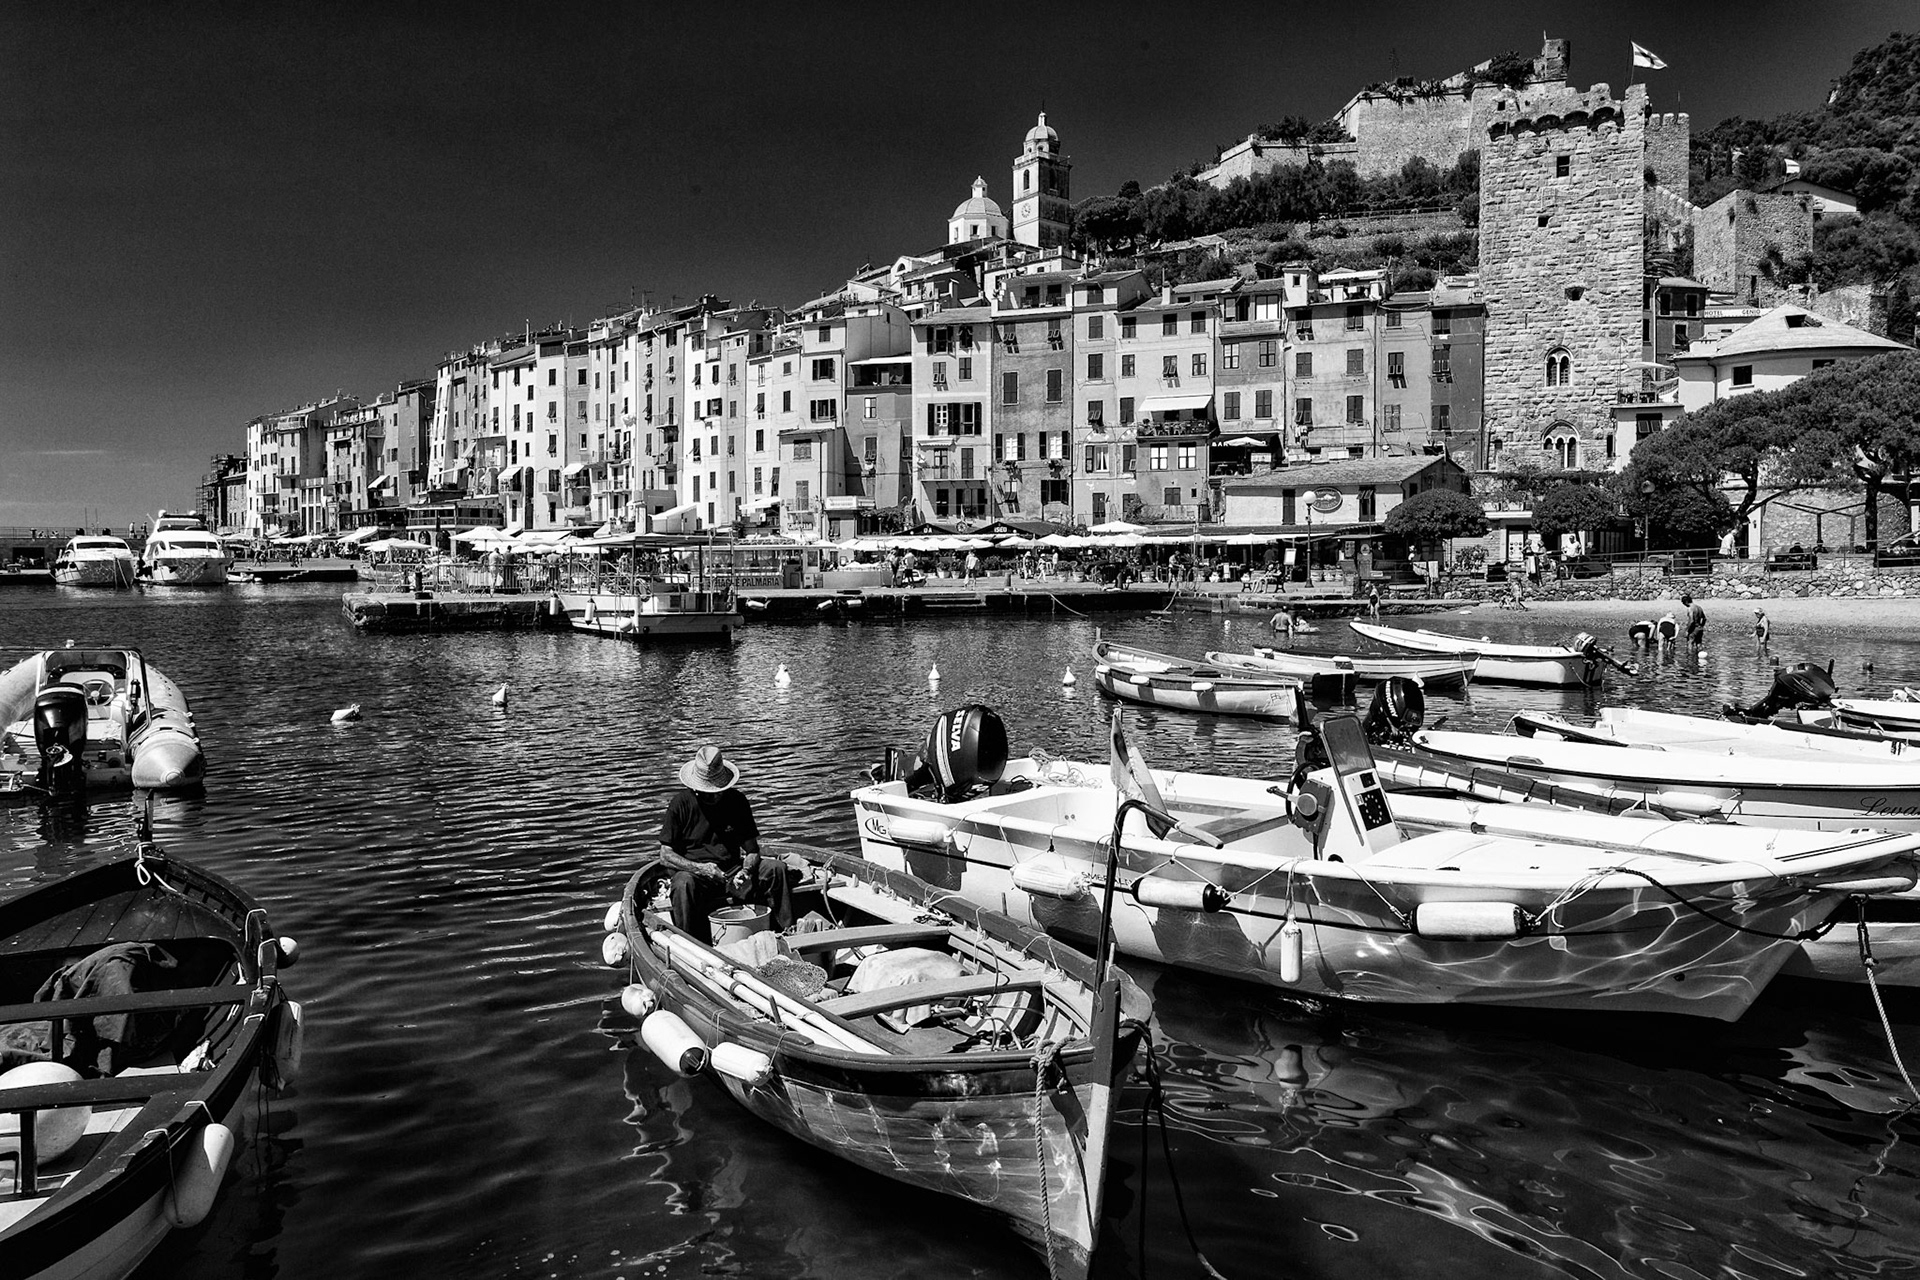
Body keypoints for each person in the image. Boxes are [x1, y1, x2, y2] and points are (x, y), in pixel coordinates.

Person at [657, 746, 793, 945]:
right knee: (683, 884)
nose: (713, 797)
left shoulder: (737, 801)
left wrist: (746, 870)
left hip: (733, 871)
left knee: (776, 869)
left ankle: (786, 934)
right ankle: (688, 944)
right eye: (707, 792)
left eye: (717, 791)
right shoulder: (680, 804)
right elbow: (665, 855)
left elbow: (752, 849)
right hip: (696, 876)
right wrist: (701, 869)